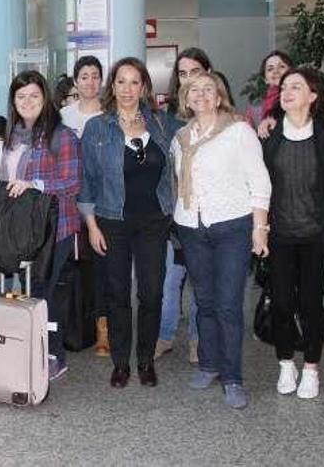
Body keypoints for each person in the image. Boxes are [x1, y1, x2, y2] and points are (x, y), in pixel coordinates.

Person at [171, 73, 272, 409]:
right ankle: (210, 364)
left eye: (208, 90)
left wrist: (260, 228)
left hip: (232, 227)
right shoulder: (180, 138)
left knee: (228, 305)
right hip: (192, 227)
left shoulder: (238, 132)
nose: (200, 95)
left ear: (219, 98)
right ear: (186, 99)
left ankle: (232, 377)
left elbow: (260, 182)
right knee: (205, 301)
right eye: (193, 90)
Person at [79, 57, 180, 388]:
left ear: (144, 87)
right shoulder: (97, 127)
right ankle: (121, 361)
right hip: (111, 221)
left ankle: (146, 359)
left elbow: (201, 128)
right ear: (113, 86)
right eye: (121, 81)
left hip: (154, 221)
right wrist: (92, 226)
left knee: (151, 293)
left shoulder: (163, 124)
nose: (127, 89)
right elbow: (87, 182)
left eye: (134, 82)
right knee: (118, 293)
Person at [262, 67, 324, 400]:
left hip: (315, 235)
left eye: (296, 86)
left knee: (311, 304)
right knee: (282, 304)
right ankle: (286, 363)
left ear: (313, 96)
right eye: (284, 86)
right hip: (280, 235)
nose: (287, 91)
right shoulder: (270, 135)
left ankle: (311, 367)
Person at [0, 70, 81, 380]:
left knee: (45, 293)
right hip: (23, 229)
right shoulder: (12, 136)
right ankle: (35, 350)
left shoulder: (63, 136)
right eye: (21, 97)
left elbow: (72, 183)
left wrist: (34, 183)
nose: (27, 102)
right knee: (31, 292)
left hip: (55, 229)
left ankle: (54, 355)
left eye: (34, 95)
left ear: (45, 98)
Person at [156, 47, 213, 364]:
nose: (189, 79)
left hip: (207, 216)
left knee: (201, 281)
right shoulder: (166, 121)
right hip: (173, 216)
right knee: (171, 281)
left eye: (195, 71)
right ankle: (165, 336)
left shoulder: (219, 118)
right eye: (182, 73)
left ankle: (196, 338)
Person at [59, 55, 109, 357]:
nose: (90, 81)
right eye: (84, 76)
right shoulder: (64, 115)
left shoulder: (110, 114)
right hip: (67, 200)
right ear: (75, 81)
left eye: (95, 76)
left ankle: (103, 327)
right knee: (71, 264)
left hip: (102, 201)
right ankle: (73, 324)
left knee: (102, 263)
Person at [246, 50, 294, 128]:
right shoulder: (256, 107)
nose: (276, 71)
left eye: (281, 66)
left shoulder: (301, 97)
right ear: (265, 79)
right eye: (270, 69)